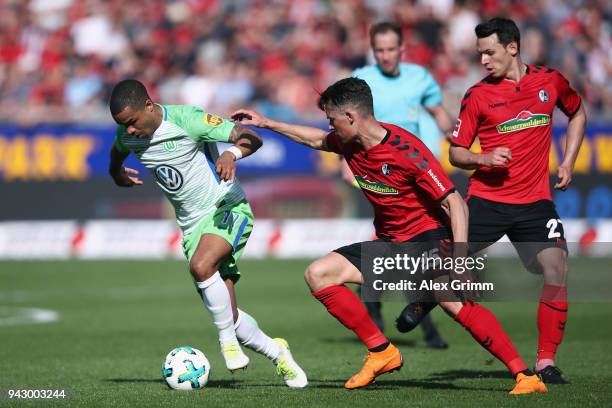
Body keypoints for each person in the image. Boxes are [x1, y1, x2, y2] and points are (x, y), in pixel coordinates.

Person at [232, 77, 547, 394]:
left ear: (351, 117)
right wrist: (267, 123)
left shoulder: (406, 151)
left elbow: (455, 204)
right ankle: (382, 352)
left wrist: (461, 263)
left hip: (428, 239)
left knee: (449, 299)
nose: (330, 127)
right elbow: (316, 141)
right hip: (391, 244)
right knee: (319, 274)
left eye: (332, 120)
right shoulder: (349, 141)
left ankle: (526, 376)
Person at [400, 18, 586, 384]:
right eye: (480, 54)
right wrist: (483, 158)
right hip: (486, 202)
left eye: (490, 52)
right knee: (443, 269)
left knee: (555, 269)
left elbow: (577, 112)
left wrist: (567, 161)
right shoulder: (478, 95)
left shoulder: (550, 81)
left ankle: (545, 363)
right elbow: (456, 152)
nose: (483, 60)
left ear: (512, 47)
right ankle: (427, 296)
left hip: (535, 203)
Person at [108, 79, 307, 388]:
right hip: (191, 227)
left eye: (132, 122)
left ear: (148, 106)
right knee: (230, 313)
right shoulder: (128, 135)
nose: (130, 130)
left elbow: (251, 136)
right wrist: (116, 173)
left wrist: (231, 154)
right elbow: (117, 151)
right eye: (124, 126)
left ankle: (226, 342)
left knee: (201, 267)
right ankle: (277, 352)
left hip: (226, 207)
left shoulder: (186, 119)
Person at [350, 21, 453, 348]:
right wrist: (344, 162)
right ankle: (427, 328)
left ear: (401, 49)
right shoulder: (361, 79)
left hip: (414, 171)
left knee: (408, 248)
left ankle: (374, 296)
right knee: (408, 246)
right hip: (378, 171)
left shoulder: (419, 78)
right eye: (379, 50)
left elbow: (439, 114)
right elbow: (345, 124)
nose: (385, 56)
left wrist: (459, 141)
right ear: (372, 50)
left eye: (391, 49)